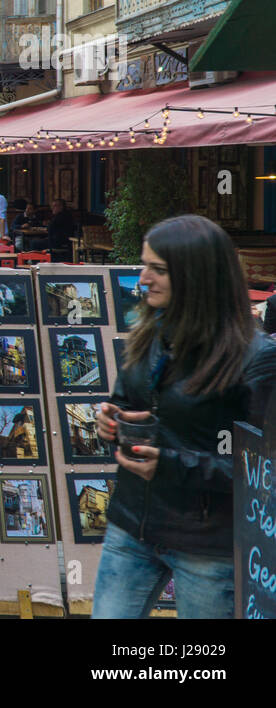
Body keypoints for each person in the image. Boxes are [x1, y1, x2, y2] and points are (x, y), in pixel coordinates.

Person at [93, 215, 276, 619]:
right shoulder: (152, 330)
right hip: (132, 523)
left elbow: (260, 474)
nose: (143, 279)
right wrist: (110, 419)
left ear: (194, 276)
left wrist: (171, 465)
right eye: (145, 266)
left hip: (206, 545)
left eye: (157, 270)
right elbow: (127, 397)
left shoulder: (255, 357)